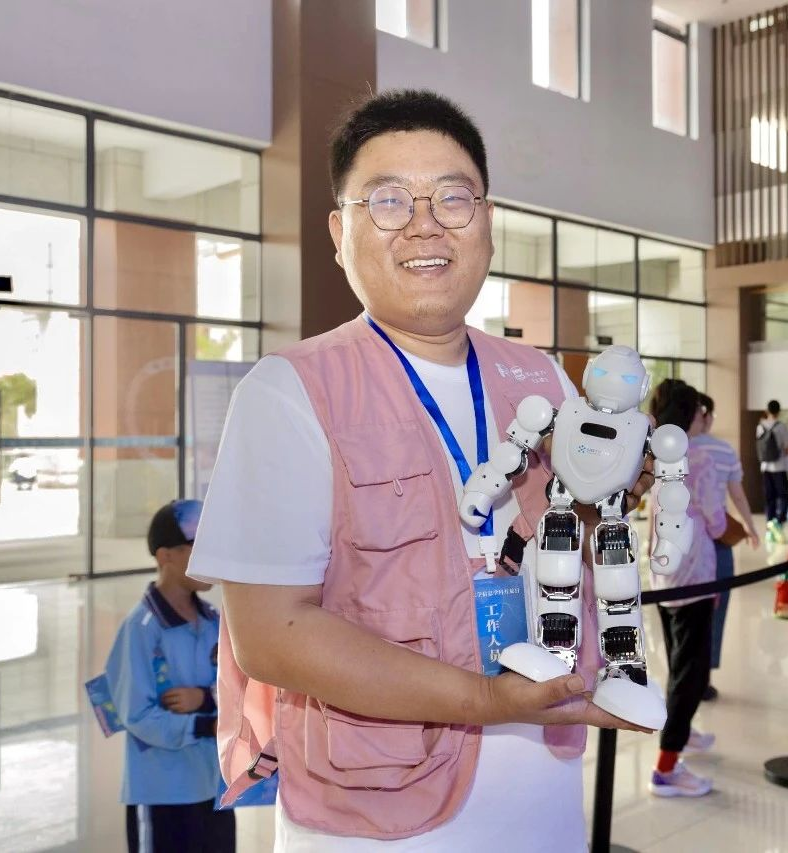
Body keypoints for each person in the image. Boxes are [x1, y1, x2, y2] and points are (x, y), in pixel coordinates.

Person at [188, 90, 645, 851]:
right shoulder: (289, 391)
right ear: (340, 233)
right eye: (389, 200)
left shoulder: (540, 377)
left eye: (453, 198)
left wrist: (614, 502)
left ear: (488, 222)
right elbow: (270, 635)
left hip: (546, 790)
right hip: (374, 815)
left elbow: (581, 542)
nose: (425, 224)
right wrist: (485, 698)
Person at [104, 500, 235, 853]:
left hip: (214, 787)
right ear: (165, 556)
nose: (210, 558)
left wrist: (203, 699)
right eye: (197, 547)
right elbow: (137, 715)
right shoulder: (141, 628)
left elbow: (237, 691)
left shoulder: (213, 621)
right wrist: (204, 725)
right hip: (162, 791)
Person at [648, 384, 722, 797]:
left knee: (679, 665)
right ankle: (665, 768)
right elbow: (715, 519)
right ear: (691, 414)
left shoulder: (658, 454)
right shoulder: (700, 459)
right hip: (695, 576)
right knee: (690, 674)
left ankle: (683, 730)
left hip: (665, 574)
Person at [694, 392, 760, 701]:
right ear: (706, 415)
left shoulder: (674, 447)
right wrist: (750, 526)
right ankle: (704, 677)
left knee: (685, 610)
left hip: (685, 541)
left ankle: (685, 674)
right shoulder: (723, 450)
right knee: (715, 611)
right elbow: (738, 495)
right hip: (718, 538)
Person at [756, 400, 788, 541]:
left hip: (765, 467)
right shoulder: (781, 427)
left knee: (769, 497)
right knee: (782, 496)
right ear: (779, 411)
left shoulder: (760, 427)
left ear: (767, 411)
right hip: (780, 467)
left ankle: (769, 524)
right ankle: (778, 522)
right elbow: (787, 447)